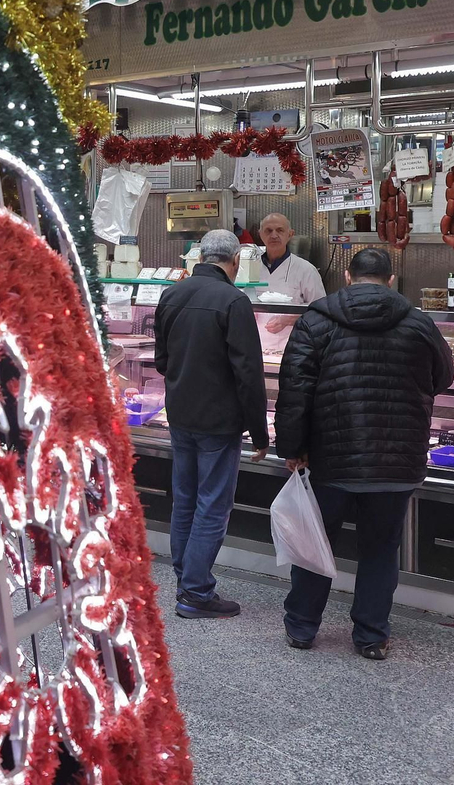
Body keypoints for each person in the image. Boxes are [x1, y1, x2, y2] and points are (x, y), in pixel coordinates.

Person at [273, 248, 454, 659]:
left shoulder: (316, 319)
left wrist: (293, 448)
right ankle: (371, 636)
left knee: (316, 541)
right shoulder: (418, 322)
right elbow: (444, 377)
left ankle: (302, 627)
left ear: (348, 277)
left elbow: (294, 390)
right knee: (379, 549)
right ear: (391, 280)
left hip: (330, 457)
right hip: (397, 460)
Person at [154, 228, 269, 619]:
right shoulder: (233, 301)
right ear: (235, 261)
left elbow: (161, 360)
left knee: (184, 500)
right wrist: (260, 432)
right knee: (212, 507)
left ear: (200, 256)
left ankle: (186, 580)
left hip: (180, 416)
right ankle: (196, 593)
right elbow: (249, 374)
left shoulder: (171, 294)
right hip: (219, 423)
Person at [257, 213, 326, 333]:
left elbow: (320, 311)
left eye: (280, 230)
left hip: (293, 340)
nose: (274, 235)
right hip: (256, 339)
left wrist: (288, 320)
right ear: (260, 234)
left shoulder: (306, 269)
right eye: (268, 231)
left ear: (290, 234)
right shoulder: (247, 267)